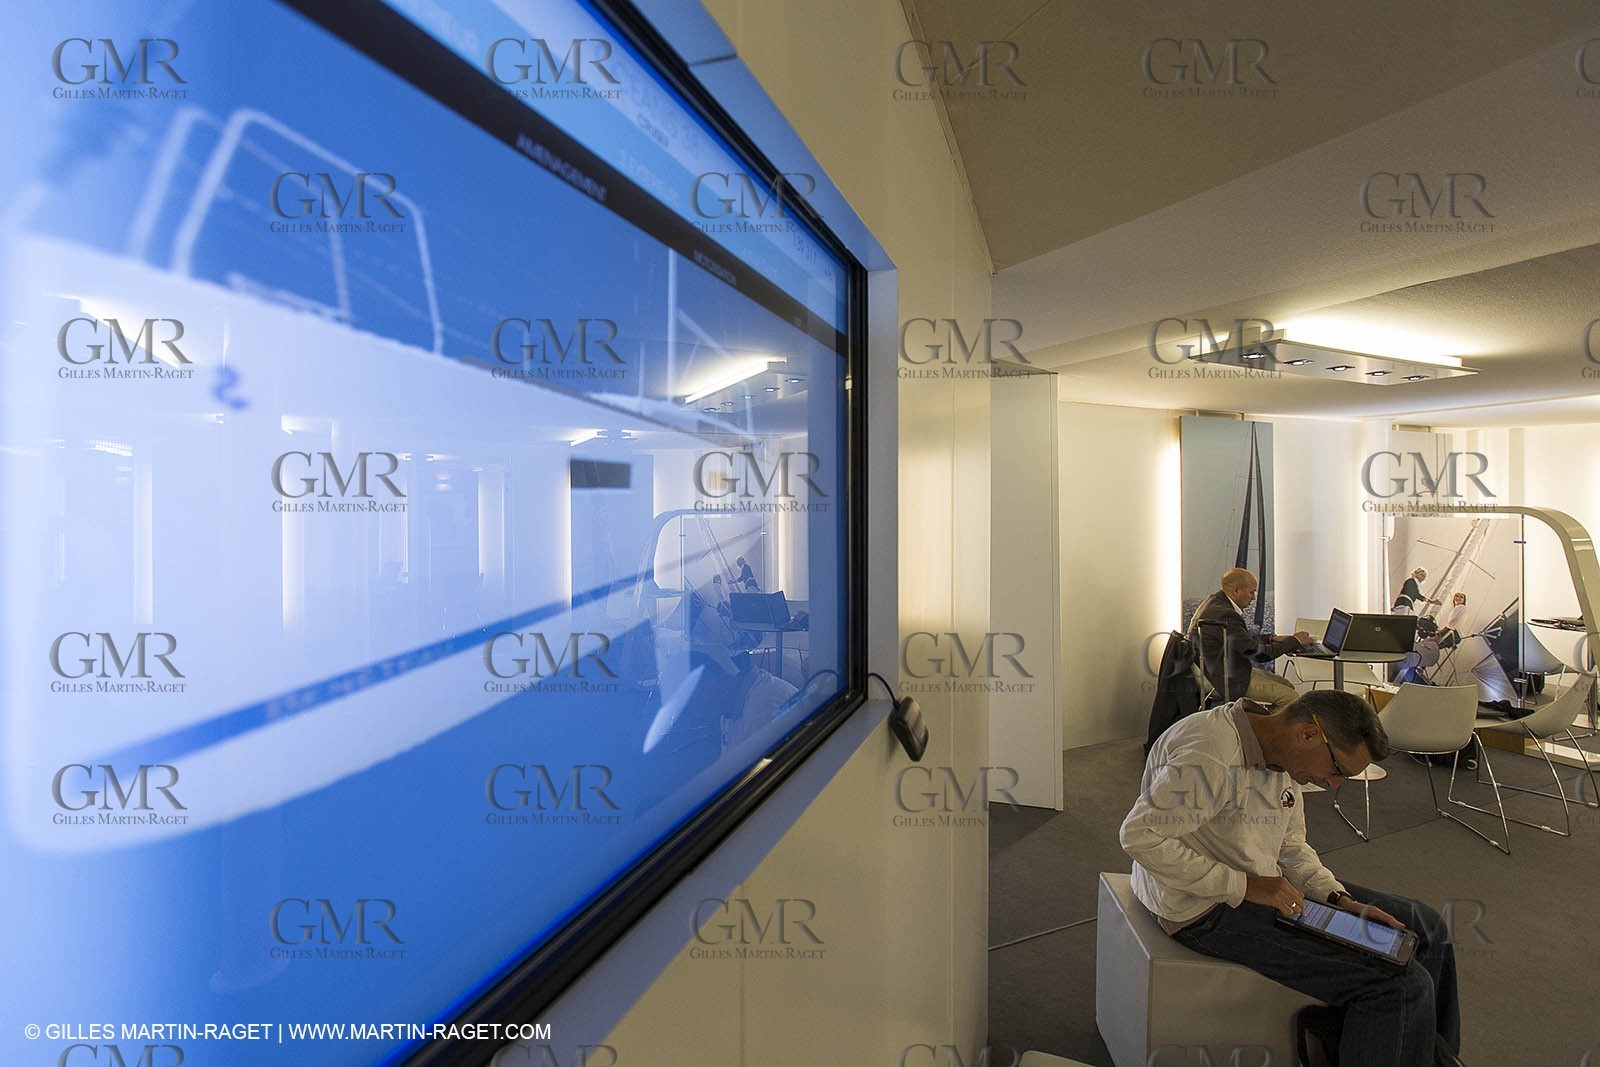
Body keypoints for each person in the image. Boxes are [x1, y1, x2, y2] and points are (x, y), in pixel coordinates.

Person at [1121, 689, 1463, 1067]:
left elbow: (1292, 846)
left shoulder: (1281, 758)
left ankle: (1422, 1054)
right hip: (1201, 909)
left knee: (1427, 928)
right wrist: (1246, 886)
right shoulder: (1210, 755)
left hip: (1264, 884)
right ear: (1308, 734)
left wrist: (1338, 900)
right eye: (1338, 771)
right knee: (1400, 987)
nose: (1333, 785)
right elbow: (1140, 836)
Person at [1188, 568, 1308, 712]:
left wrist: (1272, 638)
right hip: (1224, 679)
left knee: (1286, 685)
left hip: (1219, 671)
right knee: (1290, 697)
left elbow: (1240, 640)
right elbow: (1260, 655)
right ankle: (1266, 732)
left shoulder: (1215, 602)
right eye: (1251, 592)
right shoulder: (1225, 614)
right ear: (1236, 591)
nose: (1254, 598)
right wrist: (1295, 641)